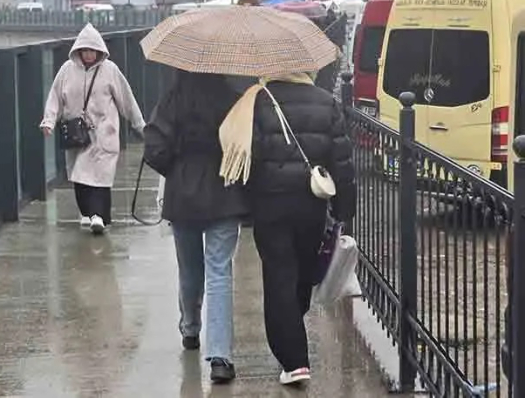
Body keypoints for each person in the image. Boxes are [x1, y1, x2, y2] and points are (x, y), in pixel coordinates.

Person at [218, 72, 356, 385]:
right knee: (303, 274)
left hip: (271, 205)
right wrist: (344, 209)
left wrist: (247, 202)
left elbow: (248, 153)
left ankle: (294, 361)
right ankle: (293, 341)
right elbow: (342, 161)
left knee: (279, 277)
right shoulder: (326, 102)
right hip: (312, 206)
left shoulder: (257, 100)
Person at [144, 71, 248, 384]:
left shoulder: (173, 99)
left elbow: (154, 148)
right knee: (219, 271)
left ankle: (190, 328)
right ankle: (220, 357)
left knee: (189, 269)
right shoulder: (234, 100)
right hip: (225, 193)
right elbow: (247, 144)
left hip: (183, 195)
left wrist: (176, 168)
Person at [40, 23, 145, 234]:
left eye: (92, 50)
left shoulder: (110, 70)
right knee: (79, 177)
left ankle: (99, 216)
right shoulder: (67, 70)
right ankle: (88, 214)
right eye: (85, 50)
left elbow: (126, 100)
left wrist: (140, 125)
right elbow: (55, 97)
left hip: (104, 133)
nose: (89, 55)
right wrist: (49, 121)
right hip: (78, 135)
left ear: (99, 50)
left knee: (100, 178)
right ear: (78, 51)